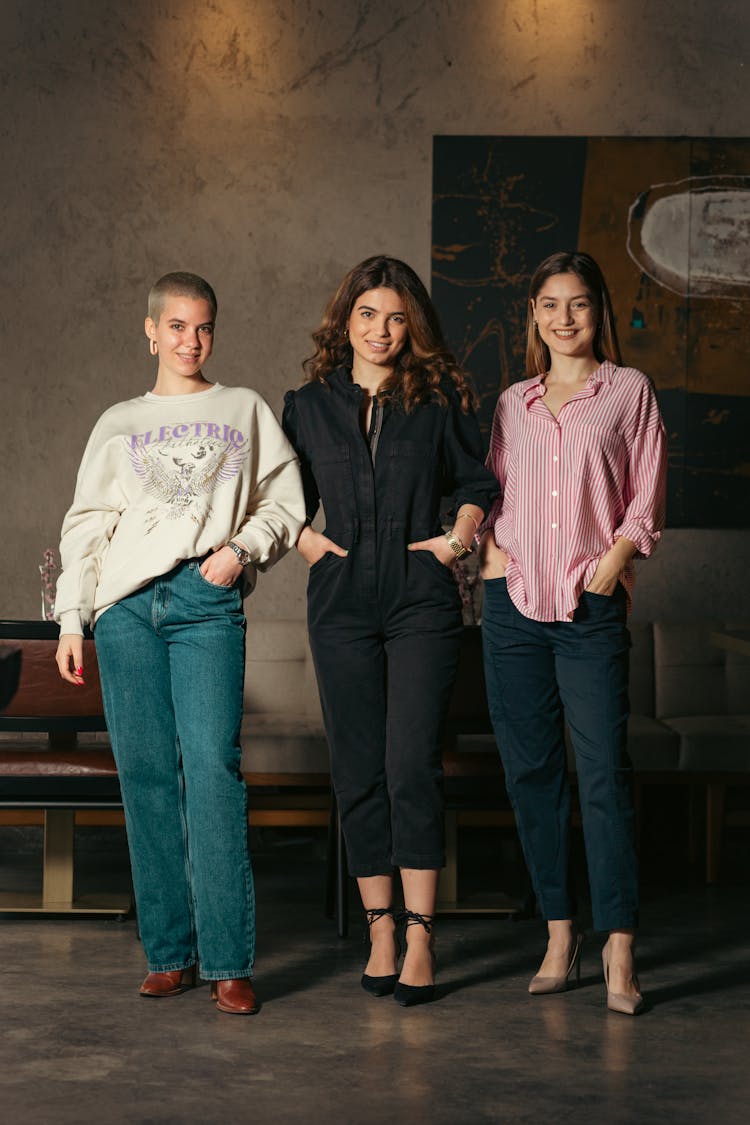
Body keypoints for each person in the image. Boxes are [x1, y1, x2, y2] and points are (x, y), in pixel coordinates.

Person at [54, 272, 305, 1014]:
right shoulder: (120, 421)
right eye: (177, 326)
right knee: (147, 777)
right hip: (127, 608)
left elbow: (287, 499)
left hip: (205, 601)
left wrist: (241, 552)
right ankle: (170, 953)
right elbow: (86, 524)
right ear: (150, 330)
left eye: (203, 328)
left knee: (213, 769)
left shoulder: (244, 409)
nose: (190, 341)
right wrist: (74, 618)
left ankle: (229, 959)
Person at [282, 255, 499, 1006]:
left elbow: (477, 482)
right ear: (346, 320)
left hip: (420, 601)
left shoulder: (437, 398)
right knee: (358, 767)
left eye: (397, 317)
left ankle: (419, 934)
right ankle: (378, 925)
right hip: (340, 601)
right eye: (368, 314)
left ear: (414, 327)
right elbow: (280, 501)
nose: (381, 330)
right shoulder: (306, 404)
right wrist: (309, 544)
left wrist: (456, 539)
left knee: (410, 764)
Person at [480, 251, 667, 1016]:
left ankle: (619, 944)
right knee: (531, 774)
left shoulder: (627, 392)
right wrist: (489, 553)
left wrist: (617, 556)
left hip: (590, 610)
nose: (564, 318)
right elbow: (488, 492)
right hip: (513, 608)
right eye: (550, 304)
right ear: (534, 314)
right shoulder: (511, 403)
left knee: (602, 775)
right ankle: (561, 933)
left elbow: (646, 495)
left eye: (579, 304)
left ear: (599, 312)